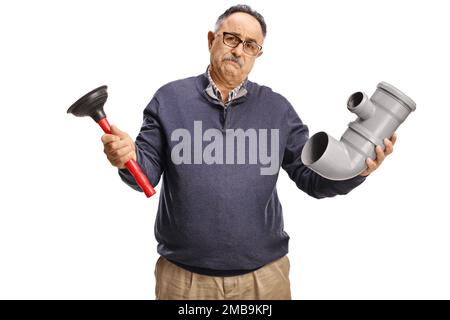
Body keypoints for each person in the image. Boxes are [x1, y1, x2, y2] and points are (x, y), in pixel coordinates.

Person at [101, 4, 396, 300]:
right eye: (231, 38)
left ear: (258, 53)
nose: (239, 50)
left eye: (250, 45)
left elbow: (312, 180)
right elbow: (145, 175)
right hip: (183, 281)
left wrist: (358, 170)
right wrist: (127, 157)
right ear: (210, 40)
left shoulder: (277, 109)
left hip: (264, 279)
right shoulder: (169, 99)